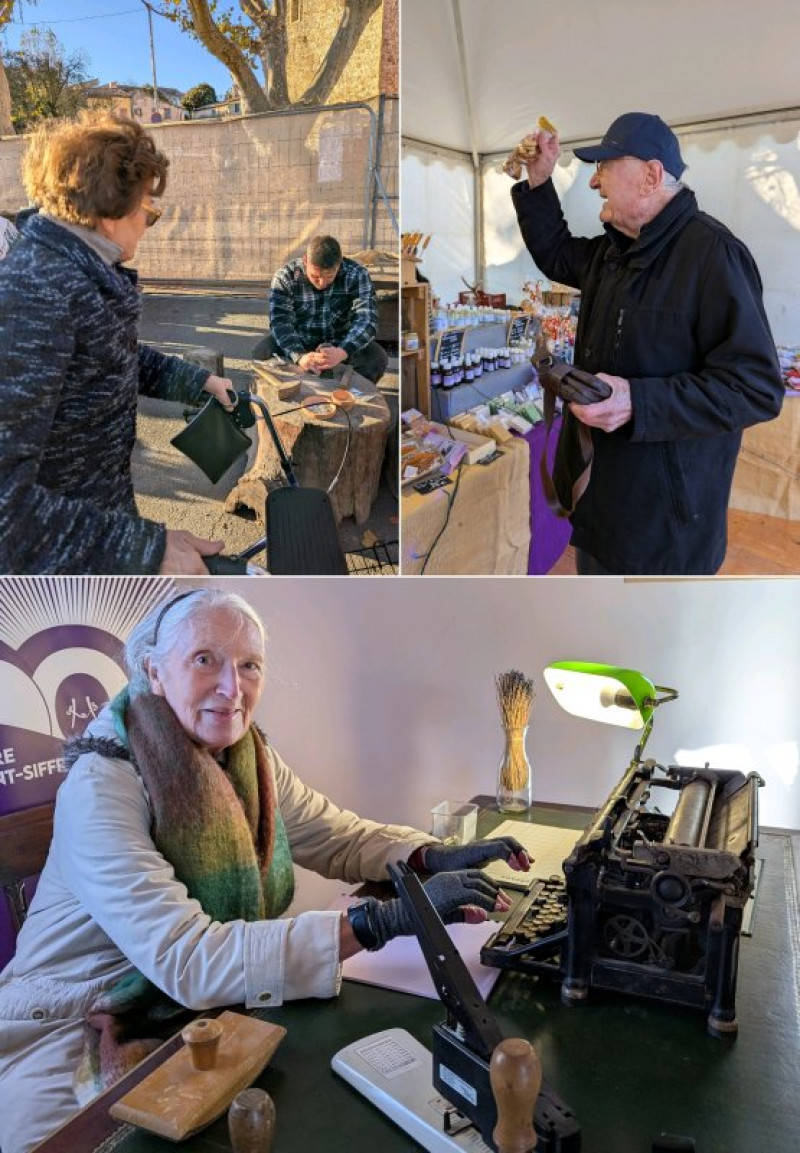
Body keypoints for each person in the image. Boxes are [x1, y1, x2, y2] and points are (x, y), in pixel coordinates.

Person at [0, 588, 530, 1153]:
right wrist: (383, 920)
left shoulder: (247, 756)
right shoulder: (102, 784)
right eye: (205, 660)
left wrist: (428, 854)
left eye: (249, 665)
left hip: (203, 1016)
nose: (232, 688)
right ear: (154, 671)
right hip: (70, 1027)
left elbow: (336, 835)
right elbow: (187, 957)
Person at [513, 111, 784, 575]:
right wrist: (538, 182)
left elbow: (755, 388)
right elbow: (555, 251)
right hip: (600, 506)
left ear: (650, 177)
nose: (595, 182)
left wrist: (637, 402)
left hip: (668, 529)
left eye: (604, 168)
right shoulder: (613, 251)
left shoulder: (713, 255)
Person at [0, 111, 236, 575]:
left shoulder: (79, 268)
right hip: (58, 570)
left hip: (97, 520)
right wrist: (147, 548)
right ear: (110, 215)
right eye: (150, 210)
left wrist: (202, 382)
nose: (150, 222)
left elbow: (112, 356)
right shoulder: (33, 293)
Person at [254, 234, 388, 383]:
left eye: (330, 276)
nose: (322, 283)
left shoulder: (357, 274)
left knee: (377, 359)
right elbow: (280, 321)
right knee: (262, 354)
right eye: (315, 276)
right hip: (301, 339)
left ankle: (348, 394)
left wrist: (343, 351)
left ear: (340, 263)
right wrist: (299, 355)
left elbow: (367, 319)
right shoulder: (285, 277)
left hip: (340, 340)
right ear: (305, 261)